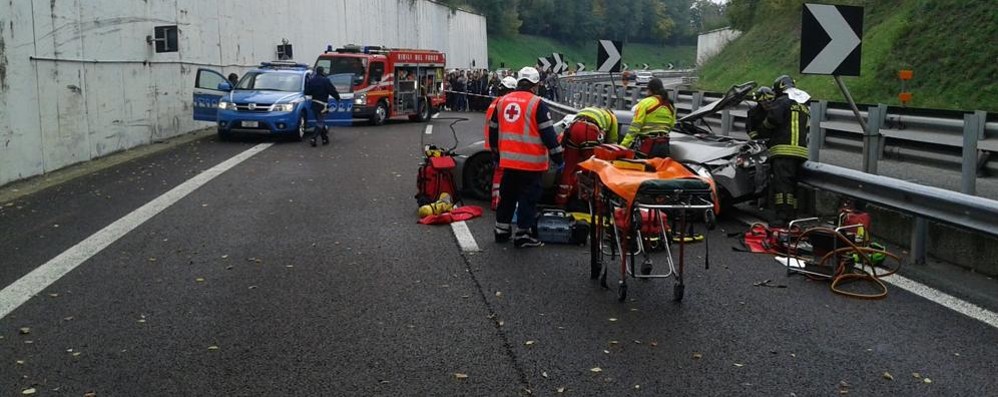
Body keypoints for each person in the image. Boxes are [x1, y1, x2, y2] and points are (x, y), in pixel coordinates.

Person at [489, 67, 564, 248]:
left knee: (507, 196)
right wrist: (559, 158)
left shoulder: (502, 101)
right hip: (530, 163)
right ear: (535, 85)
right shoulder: (537, 103)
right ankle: (523, 235)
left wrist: (496, 154)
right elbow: (548, 135)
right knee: (527, 198)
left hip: (508, 162)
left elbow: (493, 131)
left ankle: (501, 230)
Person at [756, 75, 810, 227]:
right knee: (792, 185)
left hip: (783, 150)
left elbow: (773, 120)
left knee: (782, 186)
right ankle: (792, 215)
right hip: (800, 151)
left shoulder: (781, 101)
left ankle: (782, 217)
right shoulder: (803, 103)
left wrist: (762, 130)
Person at [554, 107, 619, 207]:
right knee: (592, 168)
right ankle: (590, 201)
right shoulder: (612, 118)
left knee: (569, 167)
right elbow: (612, 143)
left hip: (574, 128)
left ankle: (561, 200)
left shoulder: (590, 110)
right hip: (589, 131)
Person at [484, 76, 518, 210]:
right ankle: (497, 201)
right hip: (501, 145)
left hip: (493, 144)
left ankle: (496, 199)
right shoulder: (503, 104)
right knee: (500, 174)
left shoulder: (496, 102)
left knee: (498, 173)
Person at [620, 78, 676, 158]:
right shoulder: (670, 105)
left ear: (650, 90)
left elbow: (635, 126)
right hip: (664, 145)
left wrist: (624, 145)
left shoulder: (645, 103)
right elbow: (671, 126)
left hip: (648, 146)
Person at [304, 66, 341, 147]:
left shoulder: (311, 80)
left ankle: (325, 139)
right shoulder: (325, 80)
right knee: (320, 122)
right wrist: (338, 98)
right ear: (323, 71)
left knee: (320, 121)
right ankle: (313, 138)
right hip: (322, 105)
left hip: (314, 104)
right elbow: (332, 90)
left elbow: (307, 91)